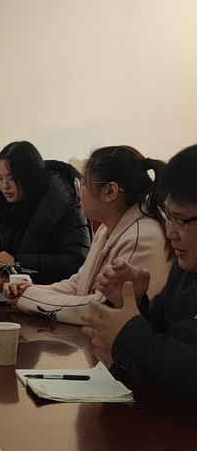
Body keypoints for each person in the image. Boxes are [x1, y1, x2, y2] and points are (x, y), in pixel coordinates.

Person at [3, 146, 172, 325]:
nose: (78, 192)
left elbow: (103, 309)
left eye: (82, 184)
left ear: (110, 192)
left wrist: (31, 298)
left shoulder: (142, 237)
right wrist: (32, 290)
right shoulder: (107, 228)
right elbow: (79, 284)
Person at [82, 144, 197, 404]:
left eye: (181, 220)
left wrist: (128, 331)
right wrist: (132, 302)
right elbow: (164, 330)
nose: (170, 233)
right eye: (169, 216)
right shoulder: (186, 267)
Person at [0, 141, 91, 284]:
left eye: (12, 178)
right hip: (21, 286)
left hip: (53, 290)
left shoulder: (63, 203)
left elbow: (77, 260)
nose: (4, 186)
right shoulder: (19, 199)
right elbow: (1, 236)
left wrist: (17, 261)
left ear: (29, 177)